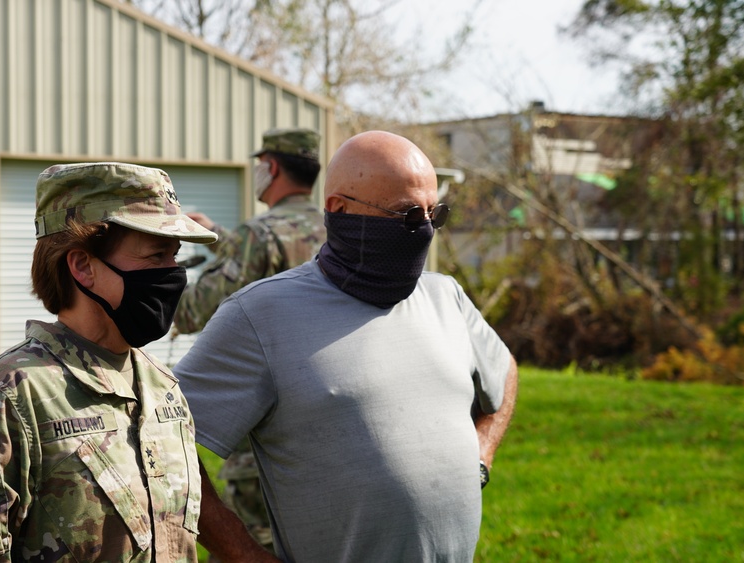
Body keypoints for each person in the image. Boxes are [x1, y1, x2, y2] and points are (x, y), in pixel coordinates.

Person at [174, 131, 520, 562]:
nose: (425, 230)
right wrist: (243, 554)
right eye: (408, 216)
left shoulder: (445, 296)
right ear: (339, 210)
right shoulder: (258, 314)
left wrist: (481, 454)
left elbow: (503, 367)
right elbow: (166, 439)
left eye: (436, 214)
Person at [0, 162, 273, 562]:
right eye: (156, 256)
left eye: (175, 257)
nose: (174, 275)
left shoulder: (161, 386)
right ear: (83, 266)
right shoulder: (6, 397)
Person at [172, 127, 326, 556]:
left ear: (270, 166)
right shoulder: (337, 228)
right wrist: (224, 239)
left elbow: (191, 310)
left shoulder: (258, 236)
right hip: (330, 428)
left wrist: (156, 264)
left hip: (265, 437)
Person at [173, 127, 325, 334]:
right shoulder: (332, 227)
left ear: (272, 168)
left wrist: (158, 269)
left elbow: (191, 315)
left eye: (259, 163)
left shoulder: (257, 233)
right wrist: (216, 234)